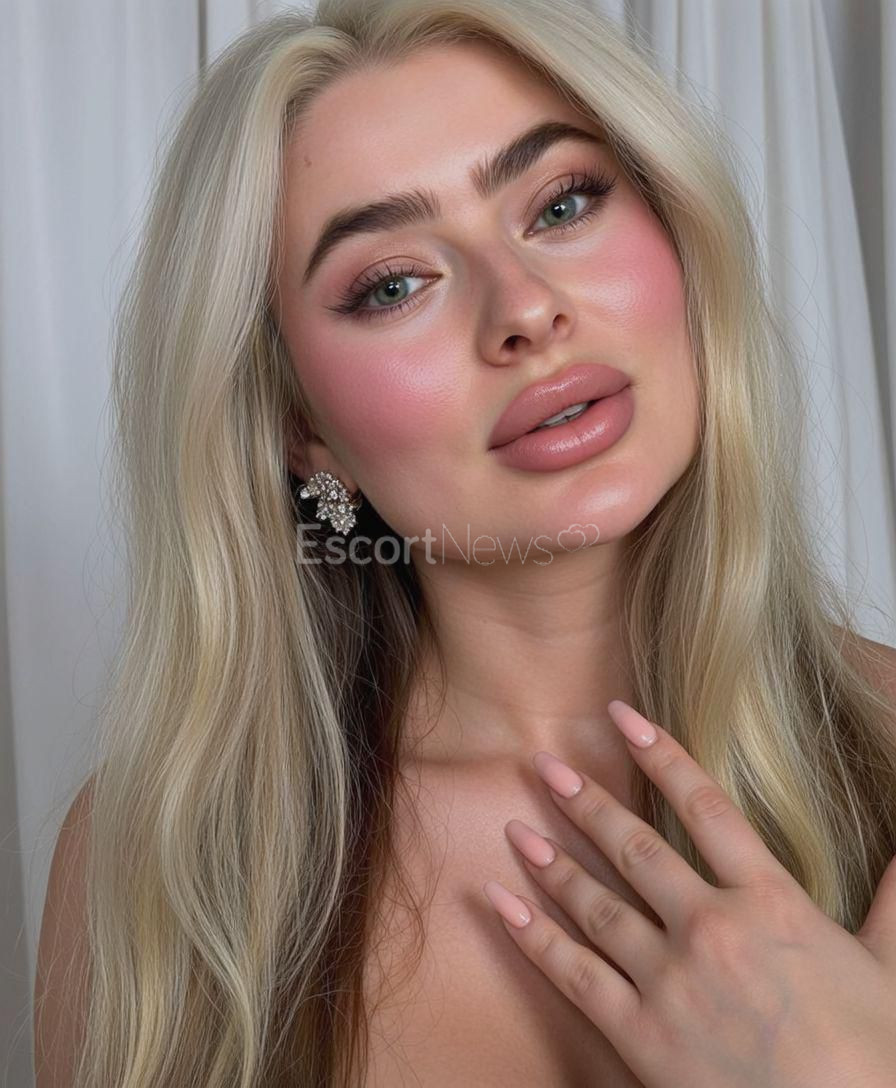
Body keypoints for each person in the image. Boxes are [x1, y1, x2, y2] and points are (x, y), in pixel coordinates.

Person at [34, 0, 896, 1085]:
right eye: (393, 284)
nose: (524, 309)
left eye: (561, 203)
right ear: (304, 432)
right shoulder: (163, 876)